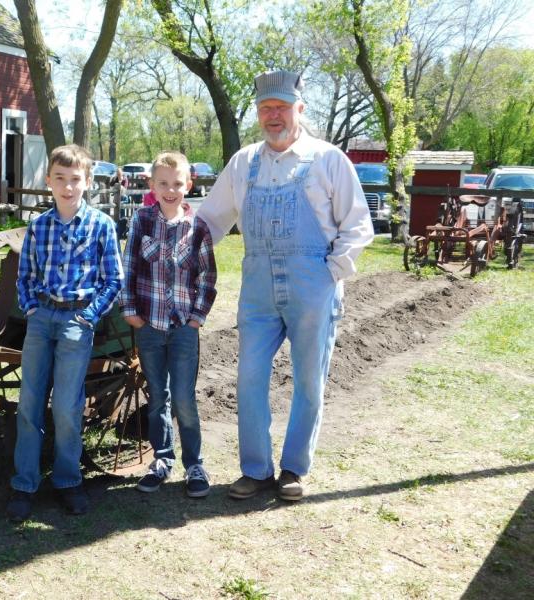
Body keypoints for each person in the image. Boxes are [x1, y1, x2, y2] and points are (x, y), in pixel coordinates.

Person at [197, 70, 373, 501]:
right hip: (257, 286)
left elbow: (357, 225)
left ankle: (293, 468)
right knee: (249, 377)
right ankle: (256, 469)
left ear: (299, 109)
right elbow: (208, 222)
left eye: (280, 107)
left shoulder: (328, 160)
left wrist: (330, 272)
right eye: (265, 109)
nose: (273, 116)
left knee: (309, 380)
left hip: (312, 284)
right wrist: (167, 233)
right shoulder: (244, 163)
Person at [7, 144, 124, 522]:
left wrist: (88, 315)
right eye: (60, 179)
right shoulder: (39, 226)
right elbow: (25, 276)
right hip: (42, 320)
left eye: (75, 179)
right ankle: (25, 484)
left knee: (67, 406)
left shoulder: (101, 225)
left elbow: (113, 279)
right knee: (29, 401)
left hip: (77, 320)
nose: (68, 186)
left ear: (87, 182)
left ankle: (67, 481)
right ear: (48, 182)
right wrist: (32, 308)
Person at [121, 151, 218, 498]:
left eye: (177, 183)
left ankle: (195, 463)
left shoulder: (197, 228)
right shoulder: (142, 221)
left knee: (183, 398)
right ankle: (162, 458)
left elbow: (207, 276)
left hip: (182, 329)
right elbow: (129, 266)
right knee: (157, 397)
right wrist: (129, 308)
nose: (170, 190)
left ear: (188, 185)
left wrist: (197, 318)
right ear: (151, 185)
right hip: (149, 325)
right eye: (163, 183)